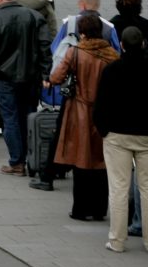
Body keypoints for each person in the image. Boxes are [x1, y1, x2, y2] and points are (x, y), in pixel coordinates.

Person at [43, 14, 119, 218]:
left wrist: (49, 80)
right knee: (102, 161)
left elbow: (56, 77)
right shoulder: (111, 54)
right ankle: (99, 209)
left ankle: (80, 209)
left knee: (81, 161)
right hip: (104, 113)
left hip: (79, 112)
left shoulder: (75, 53)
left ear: (82, 32)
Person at [0, 0, 52, 176]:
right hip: (30, 77)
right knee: (27, 116)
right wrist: (45, 73)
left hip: (4, 77)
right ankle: (31, 158)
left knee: (9, 119)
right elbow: (45, 47)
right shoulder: (35, 17)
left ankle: (16, 161)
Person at [93, 27, 148, 253]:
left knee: (118, 188)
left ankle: (117, 240)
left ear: (122, 45)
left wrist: (103, 129)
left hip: (117, 135)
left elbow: (101, 105)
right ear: (143, 44)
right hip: (146, 135)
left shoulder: (111, 70)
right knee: (146, 188)